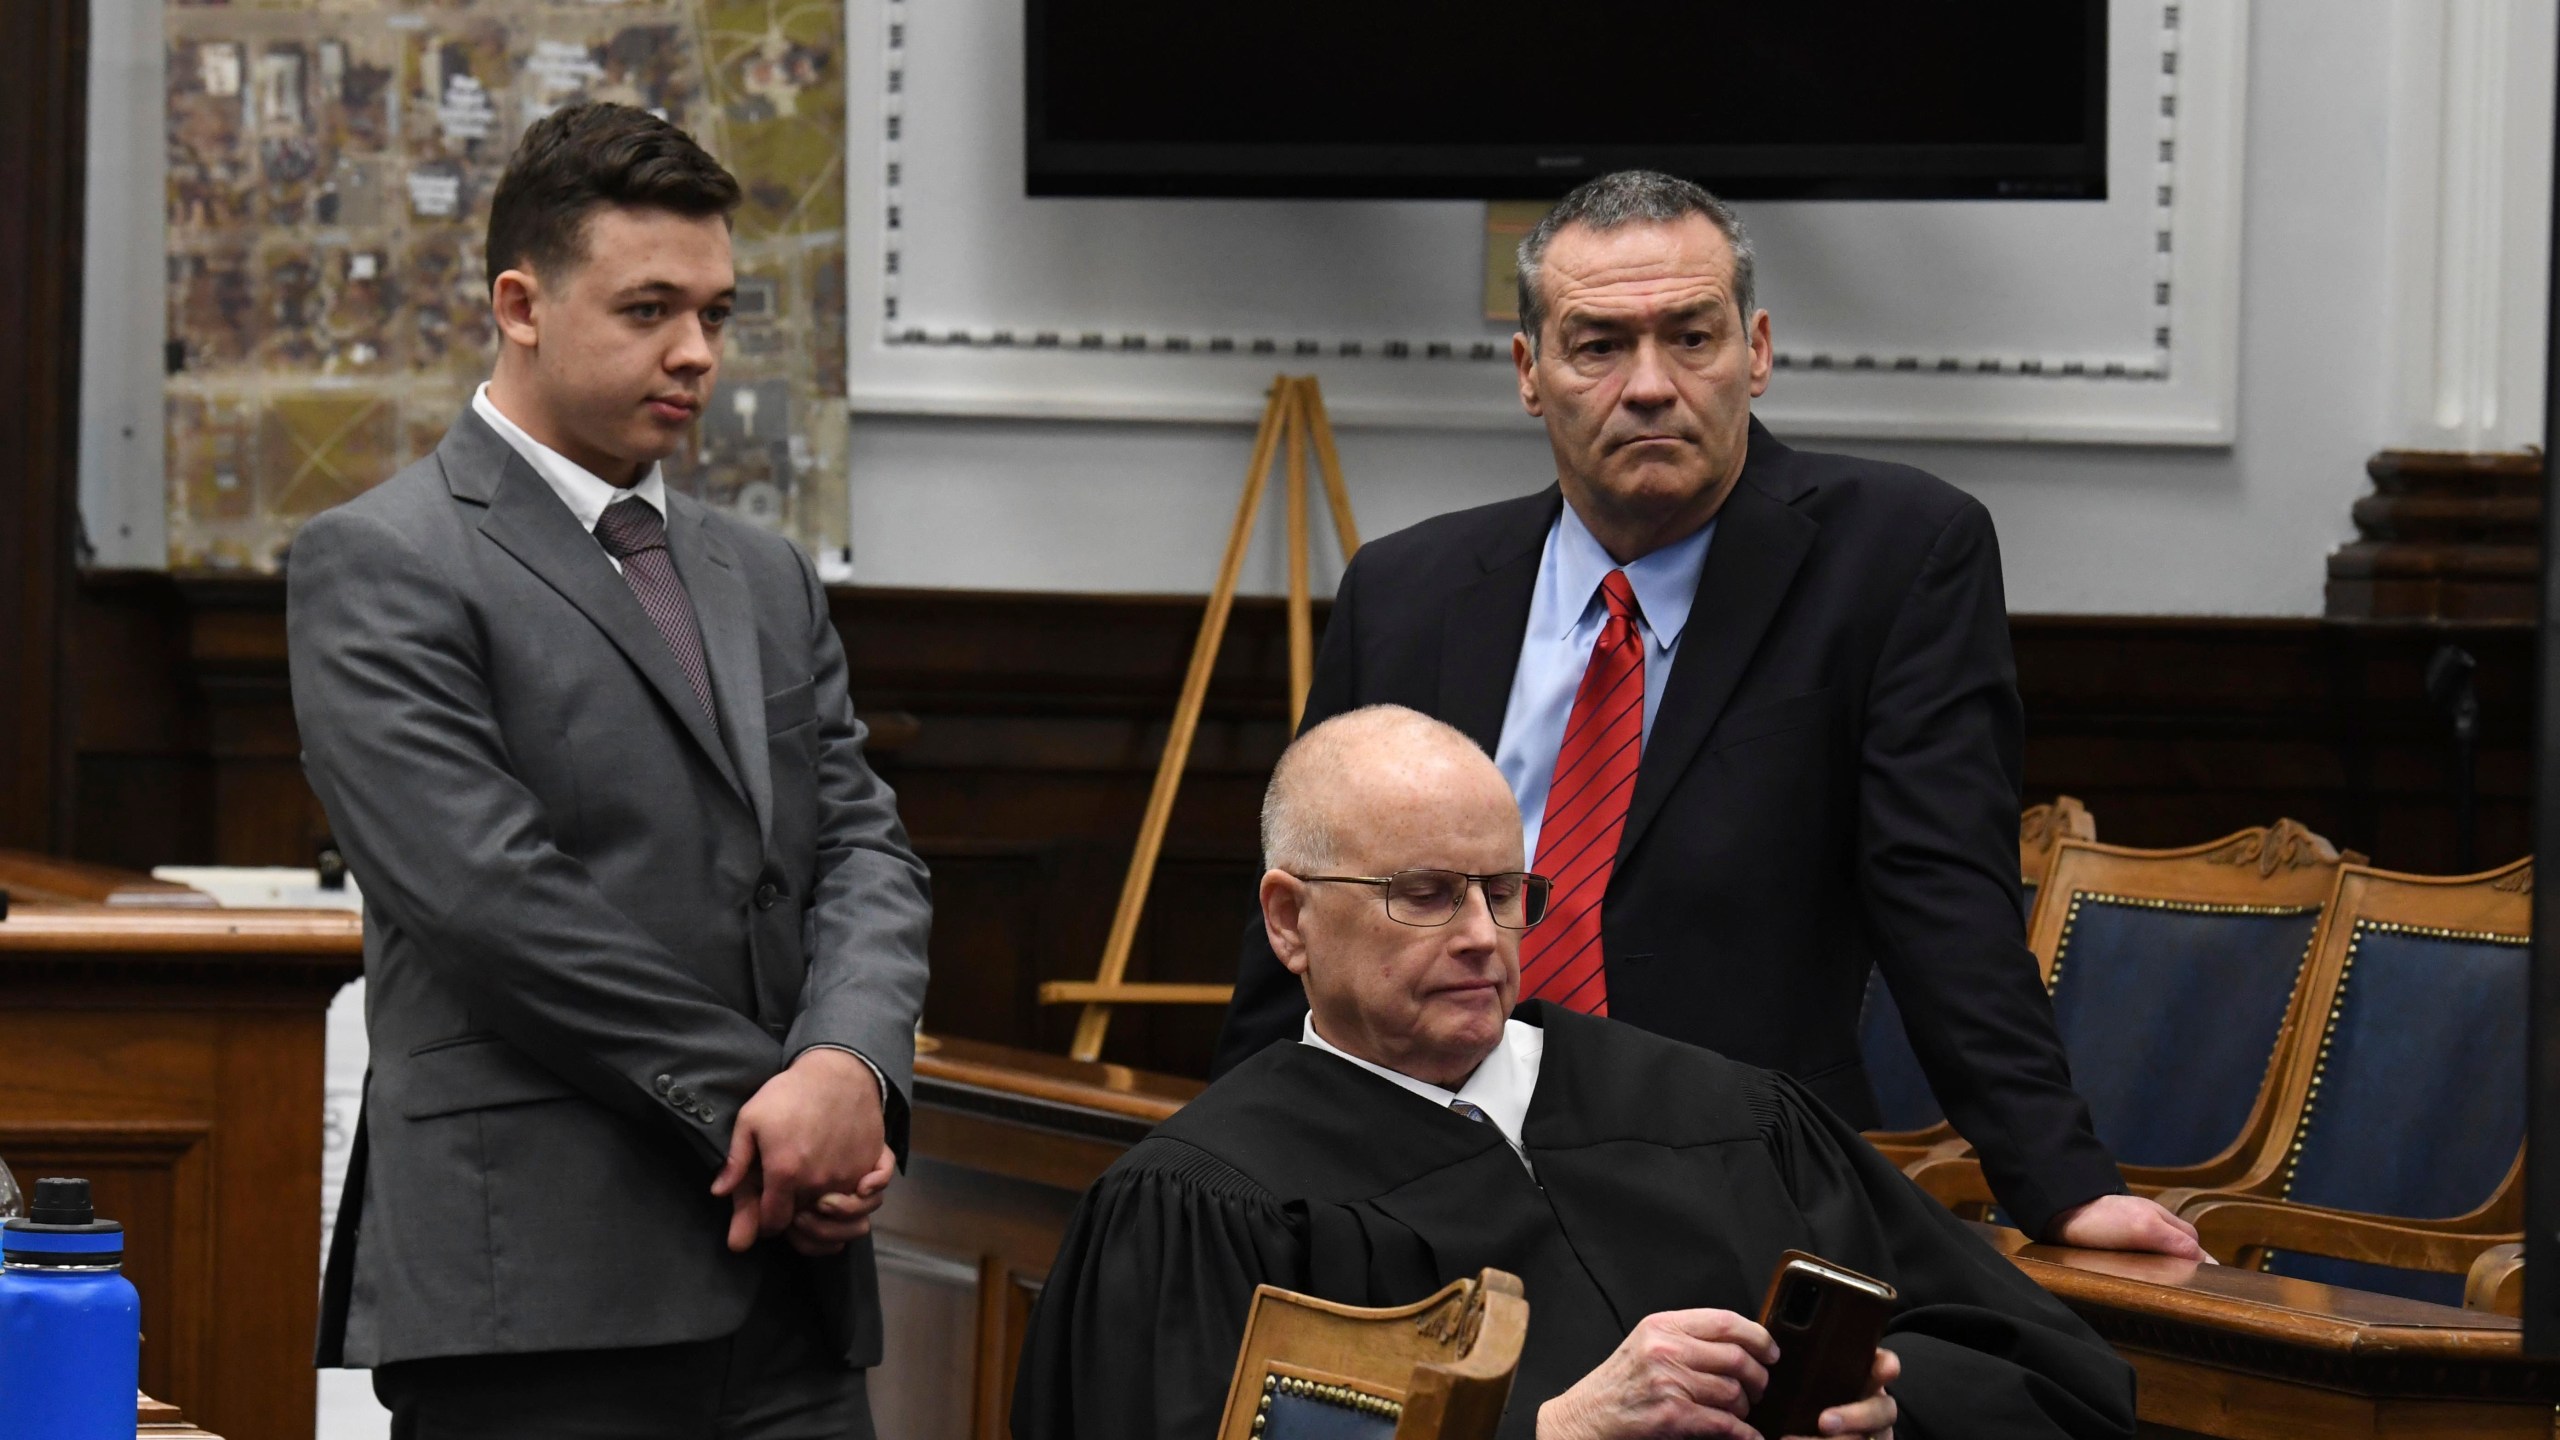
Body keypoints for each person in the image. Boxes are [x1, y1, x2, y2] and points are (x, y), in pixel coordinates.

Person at [1211, 169, 2197, 1258]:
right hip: (1417, 1176)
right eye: (1597, 346)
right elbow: (1304, 925)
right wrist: (1231, 1176)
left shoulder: (1896, 557)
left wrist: (2058, 1185)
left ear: (1757, 352)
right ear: (1529, 372)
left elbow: (1945, 903)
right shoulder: (1409, 589)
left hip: (1737, 1189)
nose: (1650, 385)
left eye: (1691, 336)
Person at [288, 102, 931, 1437]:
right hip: (540, 1294)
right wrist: (776, 1108)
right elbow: (491, 904)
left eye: (715, 311)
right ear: (521, 303)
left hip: (793, 1307)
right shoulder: (384, 560)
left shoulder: (758, 571)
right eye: (649, 309)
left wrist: (854, 1074)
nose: (695, 353)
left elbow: (865, 848)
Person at [1018, 706, 2135, 1440]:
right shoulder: (1205, 1198)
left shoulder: (1720, 1114)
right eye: (1424, 893)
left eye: (1503, 893)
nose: (1482, 938)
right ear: (1289, 919)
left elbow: (2057, 1373)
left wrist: (1889, 1403)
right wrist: (1557, 1433)